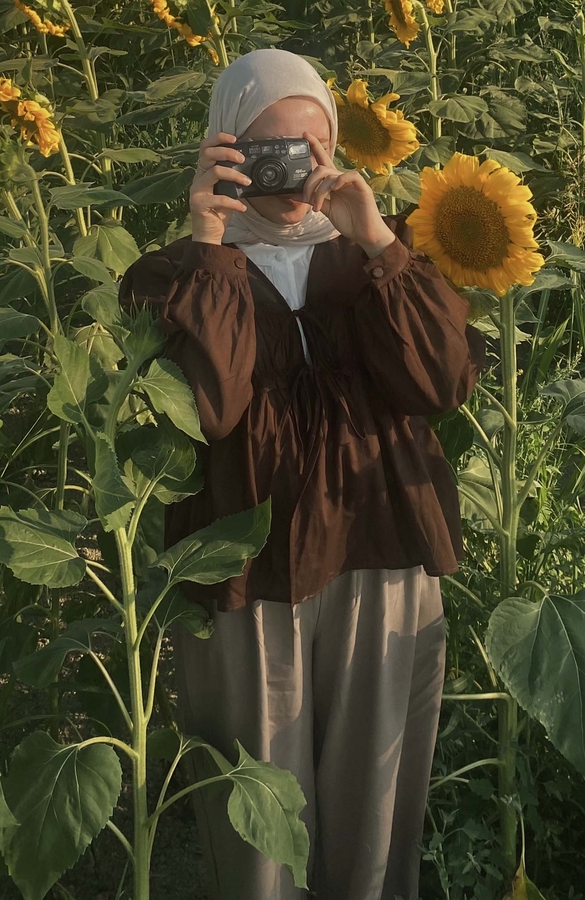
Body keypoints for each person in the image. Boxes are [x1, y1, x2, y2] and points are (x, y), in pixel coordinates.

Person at [119, 48, 486, 900]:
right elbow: (207, 408)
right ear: (223, 146)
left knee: (372, 819)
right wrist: (209, 242)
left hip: (381, 558)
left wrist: (377, 238)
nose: (289, 169)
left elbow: (442, 384)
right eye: (264, 148)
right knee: (258, 835)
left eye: (309, 146)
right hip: (243, 577)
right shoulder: (174, 274)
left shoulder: (380, 257)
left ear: (336, 150)